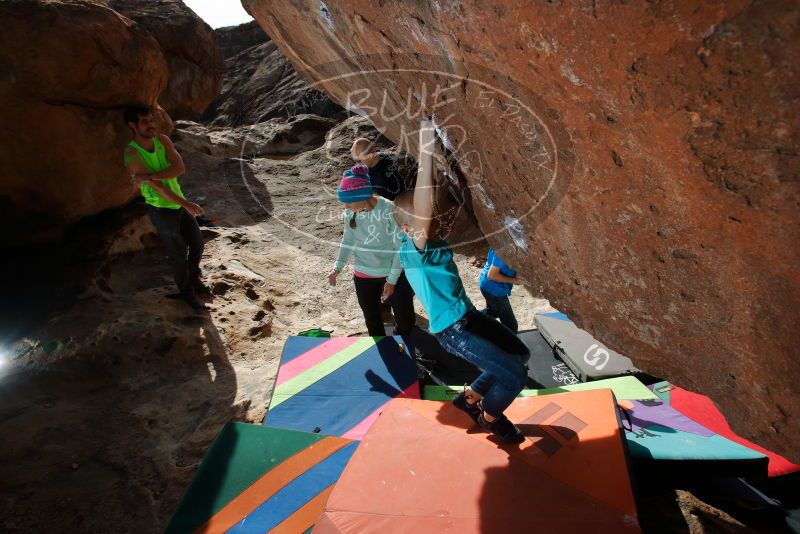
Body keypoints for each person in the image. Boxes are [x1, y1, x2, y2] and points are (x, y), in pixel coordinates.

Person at [393, 120, 530, 443]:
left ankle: (468, 397)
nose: (433, 220)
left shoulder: (424, 239)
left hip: (468, 317)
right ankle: (489, 417)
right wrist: (425, 146)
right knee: (513, 378)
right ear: (406, 230)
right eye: (424, 220)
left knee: (520, 354)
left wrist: (441, 154)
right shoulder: (414, 250)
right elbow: (424, 205)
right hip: (454, 331)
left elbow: (433, 196)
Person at [122, 104, 208, 311]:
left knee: (197, 243)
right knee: (178, 253)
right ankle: (186, 293)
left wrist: (148, 176)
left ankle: (194, 280)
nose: (151, 125)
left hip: (177, 201)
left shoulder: (162, 140)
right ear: (132, 125)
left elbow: (179, 168)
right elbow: (160, 189)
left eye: (151, 120)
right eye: (145, 122)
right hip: (160, 208)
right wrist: (186, 204)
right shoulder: (132, 155)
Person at [328, 163, 416, 337]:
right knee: (372, 320)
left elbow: (400, 247)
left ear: (362, 196)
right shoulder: (350, 213)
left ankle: (406, 346)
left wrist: (391, 280)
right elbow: (348, 240)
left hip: (393, 274)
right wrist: (338, 267)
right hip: (363, 276)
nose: (345, 207)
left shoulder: (389, 209)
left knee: (405, 319)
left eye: (348, 202)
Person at [479, 249, 523, 333]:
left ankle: (472, 322)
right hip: (494, 289)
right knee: (511, 325)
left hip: (487, 285)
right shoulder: (503, 250)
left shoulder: (501, 243)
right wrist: (515, 280)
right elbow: (491, 275)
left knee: (492, 312)